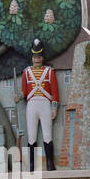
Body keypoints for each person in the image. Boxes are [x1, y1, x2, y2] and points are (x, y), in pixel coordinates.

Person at [17, 37, 58, 171]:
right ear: (32, 57)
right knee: (31, 136)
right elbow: (24, 91)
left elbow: (55, 91)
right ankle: (31, 165)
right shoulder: (26, 72)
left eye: (39, 56)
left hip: (45, 103)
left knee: (47, 135)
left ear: (42, 57)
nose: (37, 59)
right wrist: (19, 96)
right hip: (32, 104)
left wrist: (54, 107)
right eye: (35, 57)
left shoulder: (49, 71)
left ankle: (50, 164)